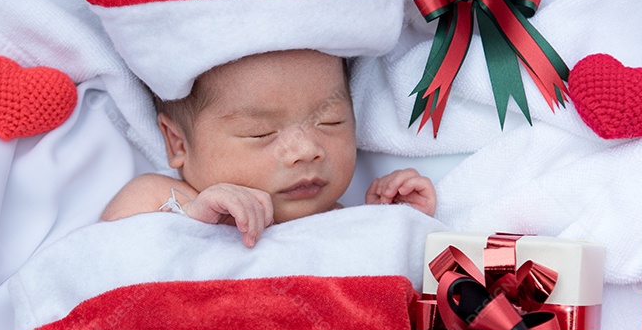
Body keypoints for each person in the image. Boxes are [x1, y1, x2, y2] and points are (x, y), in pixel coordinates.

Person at [102, 48, 436, 246]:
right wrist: (193, 223)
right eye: (260, 133)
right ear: (178, 142)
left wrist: (394, 222)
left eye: (330, 121)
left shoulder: (338, 220)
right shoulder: (157, 196)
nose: (306, 150)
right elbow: (106, 259)